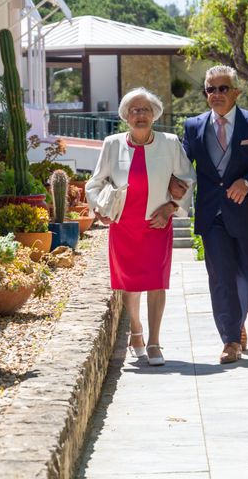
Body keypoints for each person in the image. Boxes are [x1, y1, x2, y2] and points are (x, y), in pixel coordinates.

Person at [176, 65, 248, 364]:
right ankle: (231, 340)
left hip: (246, 212)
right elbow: (184, 166)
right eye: (211, 89)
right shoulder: (193, 126)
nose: (217, 94)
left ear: (236, 92)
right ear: (206, 93)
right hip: (212, 215)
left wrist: (247, 182)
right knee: (220, 277)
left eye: (223, 88)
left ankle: (237, 321)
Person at [86, 87, 196, 366]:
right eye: (134, 110)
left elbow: (188, 179)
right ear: (125, 116)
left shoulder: (170, 143)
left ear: (155, 114)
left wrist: (172, 208)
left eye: (145, 109)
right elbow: (94, 183)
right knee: (129, 283)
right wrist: (101, 209)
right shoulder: (112, 144)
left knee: (157, 282)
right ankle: (136, 333)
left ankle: (155, 342)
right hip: (123, 225)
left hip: (156, 223)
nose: (140, 115)